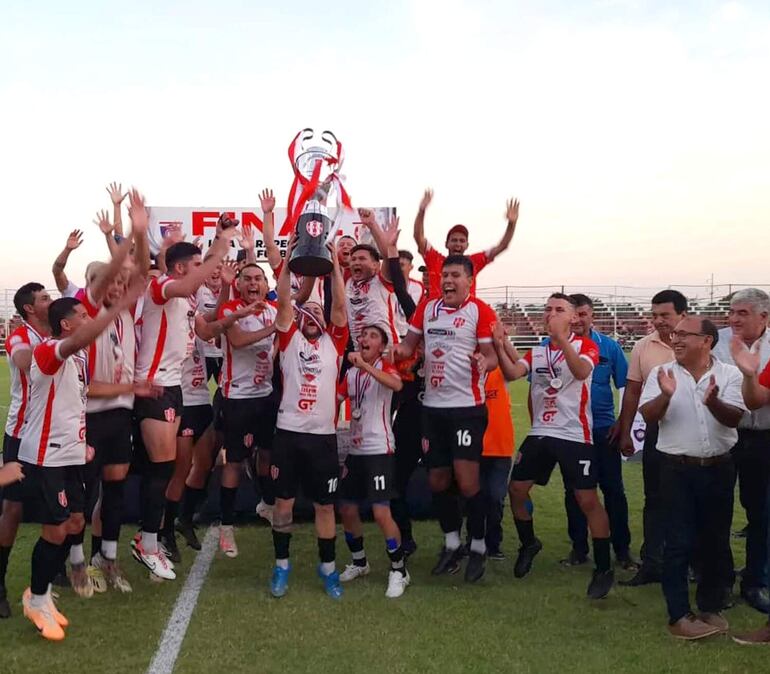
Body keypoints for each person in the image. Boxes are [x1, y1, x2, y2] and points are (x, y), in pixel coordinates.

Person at [20, 284, 142, 641]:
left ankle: (40, 593)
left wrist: (133, 388)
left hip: (70, 453)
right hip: (47, 457)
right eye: (83, 316)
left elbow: (86, 394)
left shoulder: (75, 360)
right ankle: (37, 597)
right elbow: (77, 341)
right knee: (56, 528)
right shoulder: (50, 351)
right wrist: (112, 309)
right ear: (67, 325)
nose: (89, 320)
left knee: (75, 519)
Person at [132, 213, 239, 581]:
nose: (202, 272)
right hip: (152, 387)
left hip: (173, 389)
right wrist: (221, 243)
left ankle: (151, 539)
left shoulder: (186, 301)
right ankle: (146, 543)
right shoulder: (162, 287)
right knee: (160, 469)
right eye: (195, 266)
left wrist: (236, 314)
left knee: (168, 469)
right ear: (179, 268)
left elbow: (207, 330)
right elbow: (187, 280)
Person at [494, 293, 614, 599]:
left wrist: (561, 339)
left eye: (559, 309)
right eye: (548, 309)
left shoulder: (586, 346)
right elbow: (512, 373)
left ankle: (603, 567)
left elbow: (582, 372)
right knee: (517, 490)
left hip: (575, 434)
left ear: (573, 317)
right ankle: (529, 543)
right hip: (541, 431)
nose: (551, 313)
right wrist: (500, 343)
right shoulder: (538, 352)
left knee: (587, 499)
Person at [392, 255, 498, 583]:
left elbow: (492, 354)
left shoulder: (479, 310)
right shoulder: (427, 308)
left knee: (467, 481)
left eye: (455, 275)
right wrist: (387, 350)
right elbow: (408, 346)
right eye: (445, 275)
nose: (448, 280)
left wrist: (485, 362)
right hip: (432, 409)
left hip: (467, 407)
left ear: (469, 280)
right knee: (437, 480)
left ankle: (478, 545)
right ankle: (452, 543)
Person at [639, 317, 745, 640]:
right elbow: (648, 415)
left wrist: (712, 401)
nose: (676, 339)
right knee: (679, 542)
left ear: (706, 341)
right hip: (676, 470)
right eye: (675, 334)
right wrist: (666, 396)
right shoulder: (662, 374)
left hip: (719, 467)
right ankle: (678, 615)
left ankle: (709, 606)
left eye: (685, 334)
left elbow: (735, 417)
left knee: (714, 539)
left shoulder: (729, 374)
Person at [268, 237, 349, 600]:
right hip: (288, 434)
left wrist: (333, 265)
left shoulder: (335, 342)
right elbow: (285, 302)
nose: (315, 317)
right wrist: (286, 263)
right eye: (309, 312)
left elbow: (341, 310)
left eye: (319, 312)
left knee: (324, 506)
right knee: (282, 504)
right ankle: (281, 567)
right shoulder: (289, 339)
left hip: (322, 438)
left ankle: (328, 569)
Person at [556, 294, 636, 569]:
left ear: (592, 315)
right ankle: (579, 549)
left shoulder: (610, 348)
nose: (578, 320)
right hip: (570, 432)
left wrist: (623, 425)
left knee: (613, 490)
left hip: (603, 430)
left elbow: (627, 387)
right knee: (573, 491)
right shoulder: (550, 346)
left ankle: (622, 550)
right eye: (573, 314)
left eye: (583, 314)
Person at [617, 289, 688, 587]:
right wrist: (625, 430)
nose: (659, 321)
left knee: (692, 500)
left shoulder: (700, 341)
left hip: (693, 429)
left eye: (665, 315)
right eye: (655, 315)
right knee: (654, 498)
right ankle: (652, 563)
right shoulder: (644, 346)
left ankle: (693, 563)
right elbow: (633, 390)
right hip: (657, 429)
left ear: (682, 315)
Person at [337, 326, 409, 598]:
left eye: (373, 336)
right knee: (346, 508)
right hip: (356, 451)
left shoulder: (383, 367)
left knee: (381, 513)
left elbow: (397, 385)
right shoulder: (352, 373)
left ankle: (399, 570)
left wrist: (366, 365)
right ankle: (359, 562)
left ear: (382, 347)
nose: (366, 339)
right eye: (363, 335)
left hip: (380, 449)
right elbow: (336, 397)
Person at [712, 288, 770, 614]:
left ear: (764, 316)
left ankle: (755, 581)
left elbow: (757, 398)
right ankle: (719, 579)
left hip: (763, 437)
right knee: (716, 508)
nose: (733, 319)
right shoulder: (715, 341)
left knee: (760, 512)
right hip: (723, 433)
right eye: (732, 312)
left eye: (742, 313)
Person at [217, 263, 277, 557]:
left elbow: (301, 298)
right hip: (237, 397)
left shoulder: (274, 309)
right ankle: (226, 527)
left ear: (267, 284)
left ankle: (266, 502)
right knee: (235, 463)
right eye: (248, 279)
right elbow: (238, 341)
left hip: (266, 395)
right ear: (238, 285)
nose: (253, 284)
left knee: (267, 454)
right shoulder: (229, 309)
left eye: (259, 279)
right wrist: (273, 328)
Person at [0, 283, 51, 618]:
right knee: (14, 510)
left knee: (62, 510)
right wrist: (60, 348)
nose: (51, 301)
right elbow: (21, 359)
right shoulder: (21, 334)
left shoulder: (60, 333)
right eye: (44, 298)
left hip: (56, 436)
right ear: (30, 309)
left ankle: (48, 579)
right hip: (22, 436)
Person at [732, 332, 770, 643]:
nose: (734, 319)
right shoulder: (716, 340)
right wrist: (749, 374)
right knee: (758, 514)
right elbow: (755, 398)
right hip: (737, 437)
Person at [413, 189, 519, 299]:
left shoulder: (473, 262)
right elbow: (418, 236)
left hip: (466, 315)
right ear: (446, 244)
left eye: (462, 241)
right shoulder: (435, 259)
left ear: (467, 245)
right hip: (438, 314)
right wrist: (422, 210)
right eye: (454, 240)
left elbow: (502, 246)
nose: (458, 244)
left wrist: (512, 224)